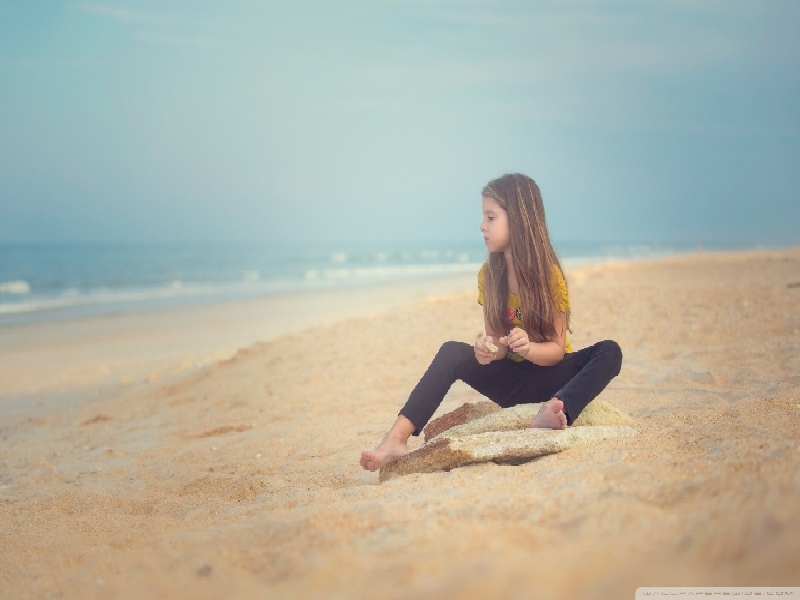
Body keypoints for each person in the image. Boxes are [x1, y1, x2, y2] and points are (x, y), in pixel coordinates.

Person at [360, 173, 623, 472]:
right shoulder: (489, 275)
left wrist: (529, 349)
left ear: (519, 219)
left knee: (610, 351)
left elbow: (556, 351)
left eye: (491, 217)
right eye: (484, 217)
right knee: (451, 351)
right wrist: (487, 350)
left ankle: (556, 408)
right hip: (514, 384)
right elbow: (498, 345)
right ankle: (396, 439)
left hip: (553, 378)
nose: (482, 226)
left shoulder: (549, 276)